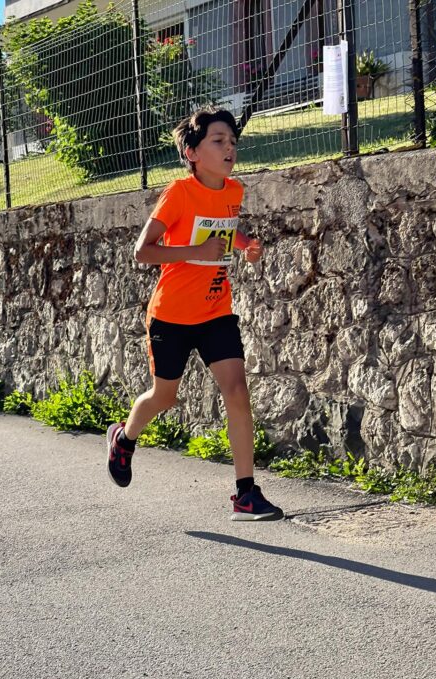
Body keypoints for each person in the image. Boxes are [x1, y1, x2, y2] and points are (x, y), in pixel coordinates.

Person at [107, 108, 283, 521]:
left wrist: (245, 245)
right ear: (192, 153)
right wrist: (195, 252)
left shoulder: (234, 190)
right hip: (171, 315)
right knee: (164, 397)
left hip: (216, 310)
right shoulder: (179, 193)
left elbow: (225, 228)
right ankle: (124, 438)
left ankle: (245, 494)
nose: (229, 149)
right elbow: (142, 251)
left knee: (236, 391)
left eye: (232, 142)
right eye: (218, 141)